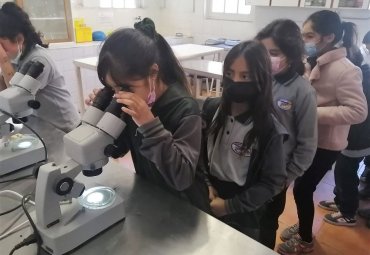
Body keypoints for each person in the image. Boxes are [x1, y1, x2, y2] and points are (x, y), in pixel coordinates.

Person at [86, 18, 210, 212]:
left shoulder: (185, 109)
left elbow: (182, 177)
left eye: (125, 87)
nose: (120, 95)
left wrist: (149, 125)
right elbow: (116, 150)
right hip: (154, 198)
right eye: (113, 88)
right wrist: (102, 117)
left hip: (187, 207)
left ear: (153, 72)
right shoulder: (132, 101)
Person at [278, 10, 367, 255]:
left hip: (326, 144)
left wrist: (311, 112)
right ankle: (304, 225)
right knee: (301, 188)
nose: (303, 39)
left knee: (302, 189)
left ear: (327, 37)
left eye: (309, 35)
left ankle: (306, 240)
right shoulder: (313, 61)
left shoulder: (346, 69)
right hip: (307, 138)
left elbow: (358, 112)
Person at [198, 40, 287, 240]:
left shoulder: (268, 129)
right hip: (209, 195)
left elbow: (271, 183)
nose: (235, 81)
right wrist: (206, 183)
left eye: (245, 76)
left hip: (244, 210)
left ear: (260, 79)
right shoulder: (211, 108)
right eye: (230, 74)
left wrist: (230, 206)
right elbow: (199, 152)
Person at [255, 19, 317, 249]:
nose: (266, 58)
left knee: (266, 225)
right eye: (262, 52)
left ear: (290, 54)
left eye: (273, 52)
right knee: (244, 218)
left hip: (275, 175)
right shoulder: (259, 79)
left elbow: (307, 145)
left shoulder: (303, 91)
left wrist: (286, 176)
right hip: (248, 166)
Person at [0, 2, 80, 132]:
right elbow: (3, 94)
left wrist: (3, 61)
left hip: (65, 128)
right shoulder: (15, 58)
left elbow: (16, 103)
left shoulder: (39, 61)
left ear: (19, 39)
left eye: (2, 45)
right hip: (43, 125)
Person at [317, 47, 370, 227]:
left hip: (357, 138)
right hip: (352, 135)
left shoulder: (355, 76)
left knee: (345, 173)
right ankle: (340, 201)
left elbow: (358, 112)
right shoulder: (359, 74)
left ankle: (348, 212)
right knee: (342, 172)